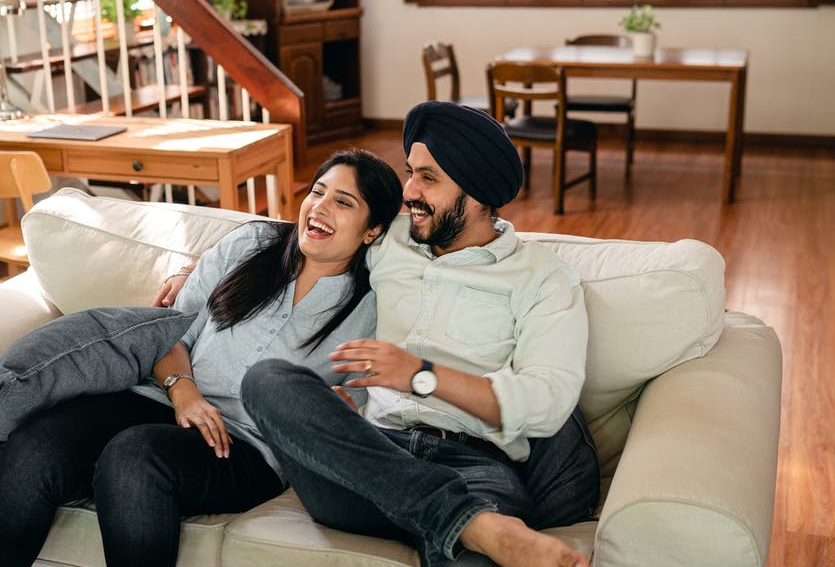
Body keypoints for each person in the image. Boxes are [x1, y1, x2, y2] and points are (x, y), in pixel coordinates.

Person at [159, 101, 598, 566]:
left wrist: (421, 376)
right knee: (269, 380)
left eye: (428, 178)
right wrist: (196, 272)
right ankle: (470, 525)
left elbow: (548, 403)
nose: (409, 190)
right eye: (410, 172)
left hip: (474, 469)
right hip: (364, 458)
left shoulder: (543, 279)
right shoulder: (392, 240)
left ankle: (464, 522)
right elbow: (309, 232)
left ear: (479, 192)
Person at [0, 149, 403, 567]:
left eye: (343, 202)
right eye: (317, 191)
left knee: (133, 456)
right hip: (161, 398)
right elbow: (171, 334)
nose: (320, 207)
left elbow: (354, 407)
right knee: (35, 444)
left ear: (373, 231)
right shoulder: (252, 244)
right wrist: (183, 391)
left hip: (248, 446)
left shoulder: (375, 304)